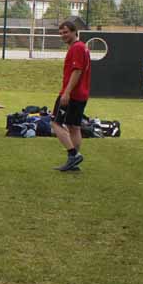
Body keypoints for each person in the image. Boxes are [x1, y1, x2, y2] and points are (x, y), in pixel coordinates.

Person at [51, 21, 91, 172]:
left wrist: (67, 92)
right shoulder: (83, 47)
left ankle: (73, 154)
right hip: (82, 93)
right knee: (74, 127)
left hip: (72, 94)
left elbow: (77, 70)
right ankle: (74, 162)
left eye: (66, 32)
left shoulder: (77, 48)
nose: (63, 35)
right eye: (61, 33)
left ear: (74, 32)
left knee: (55, 123)